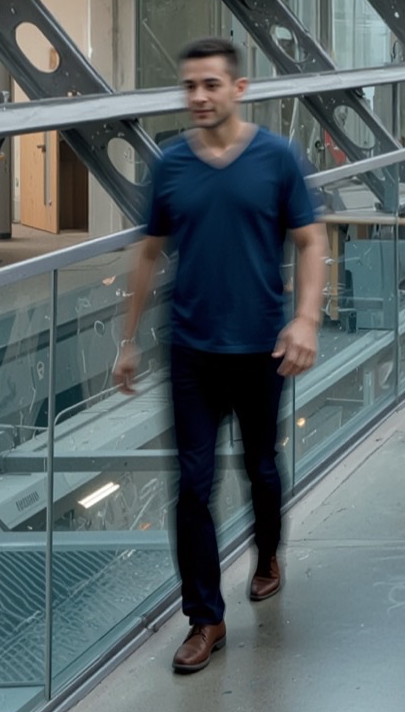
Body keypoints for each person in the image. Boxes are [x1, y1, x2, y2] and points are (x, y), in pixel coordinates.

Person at [113, 37, 326, 675]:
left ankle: (267, 555)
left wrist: (306, 320)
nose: (199, 97)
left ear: (239, 88)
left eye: (211, 84)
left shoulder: (277, 159)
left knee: (261, 468)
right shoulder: (172, 165)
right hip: (192, 351)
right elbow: (149, 253)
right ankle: (205, 618)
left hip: (263, 348)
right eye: (190, 86)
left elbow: (311, 242)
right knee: (193, 487)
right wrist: (126, 343)